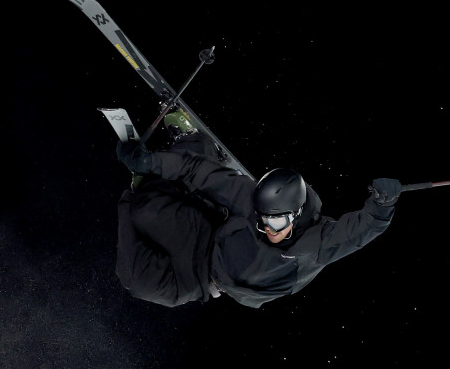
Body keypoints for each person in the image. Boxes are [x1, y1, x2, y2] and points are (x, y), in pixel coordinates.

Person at [114, 110, 401, 308]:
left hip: (207, 281)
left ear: (295, 215)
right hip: (210, 240)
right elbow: (198, 171)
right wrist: (149, 163)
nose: (267, 229)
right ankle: (193, 142)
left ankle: (151, 189)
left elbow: (360, 230)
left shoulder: (317, 244)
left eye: (275, 223)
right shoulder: (249, 200)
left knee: (137, 284)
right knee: (144, 211)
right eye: (262, 220)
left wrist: (381, 206)